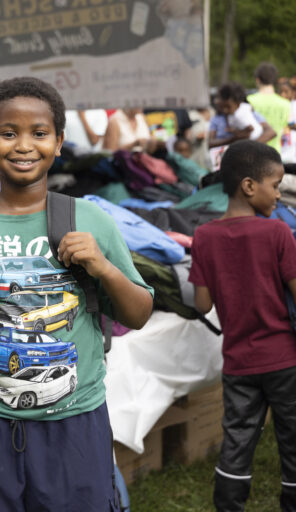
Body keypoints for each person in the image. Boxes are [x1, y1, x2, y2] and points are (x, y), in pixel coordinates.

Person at [0, 76, 154, 511]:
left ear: (59, 142)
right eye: (8, 133)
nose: (24, 145)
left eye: (39, 133)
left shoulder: (89, 220)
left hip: (74, 422)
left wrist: (102, 267)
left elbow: (138, 313)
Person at [189, 139, 296, 511]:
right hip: (284, 360)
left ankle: (229, 505)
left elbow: (202, 303)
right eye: (276, 185)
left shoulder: (203, 237)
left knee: (237, 438)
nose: (279, 195)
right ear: (249, 186)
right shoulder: (279, 233)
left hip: (238, 363)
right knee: (292, 437)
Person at [248, 62, 291, 153]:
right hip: (276, 154)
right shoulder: (286, 104)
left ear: (258, 80)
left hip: (253, 153)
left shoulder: (249, 101)